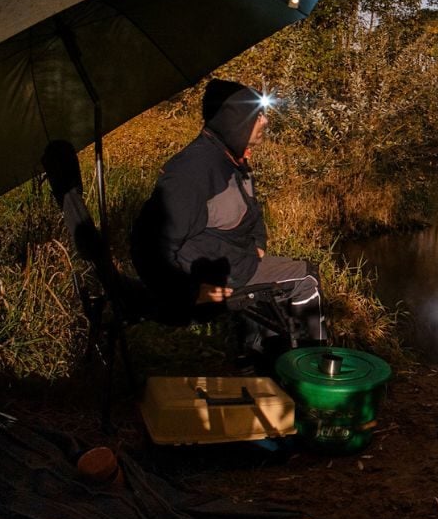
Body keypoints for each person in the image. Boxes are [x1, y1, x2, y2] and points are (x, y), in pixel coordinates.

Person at [130, 78, 325, 364]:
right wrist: (188, 292)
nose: (266, 121)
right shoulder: (192, 171)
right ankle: (314, 373)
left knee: (286, 283)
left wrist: (258, 242)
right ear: (234, 118)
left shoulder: (231, 158)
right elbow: (146, 246)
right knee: (306, 278)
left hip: (240, 263)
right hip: (216, 280)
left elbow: (252, 210)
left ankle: (262, 359)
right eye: (259, 114)